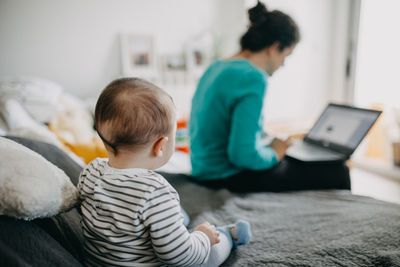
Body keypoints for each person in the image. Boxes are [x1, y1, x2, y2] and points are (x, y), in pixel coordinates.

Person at [77, 77, 251, 267]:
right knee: (205, 256)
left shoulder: (91, 171)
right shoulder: (155, 191)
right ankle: (229, 235)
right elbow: (183, 258)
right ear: (161, 145)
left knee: (167, 217)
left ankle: (173, 223)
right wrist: (203, 236)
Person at [189, 1, 351, 192]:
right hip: (226, 176)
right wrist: (275, 153)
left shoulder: (216, 67)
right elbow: (242, 155)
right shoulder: (252, 76)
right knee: (338, 170)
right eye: (286, 56)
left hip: (202, 169)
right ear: (275, 47)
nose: (283, 64)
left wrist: (267, 143)